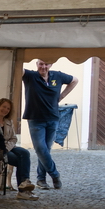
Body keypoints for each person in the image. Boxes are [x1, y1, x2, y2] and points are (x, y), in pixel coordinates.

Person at [22, 59, 78, 189]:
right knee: (40, 149)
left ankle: (41, 179)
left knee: (46, 150)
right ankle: (55, 175)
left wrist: (61, 96)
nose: (43, 66)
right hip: (35, 119)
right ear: (36, 64)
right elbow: (18, 69)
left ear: (51, 64)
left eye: (46, 64)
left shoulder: (57, 76)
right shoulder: (30, 76)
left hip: (53, 118)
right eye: (41, 64)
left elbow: (75, 80)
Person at [0, 97, 37, 200]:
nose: (5, 110)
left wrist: (7, 147)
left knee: (25, 153)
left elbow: (14, 138)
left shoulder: (8, 121)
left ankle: (24, 183)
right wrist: (4, 148)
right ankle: (23, 190)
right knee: (19, 160)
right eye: (4, 107)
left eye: (8, 108)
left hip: (9, 146)